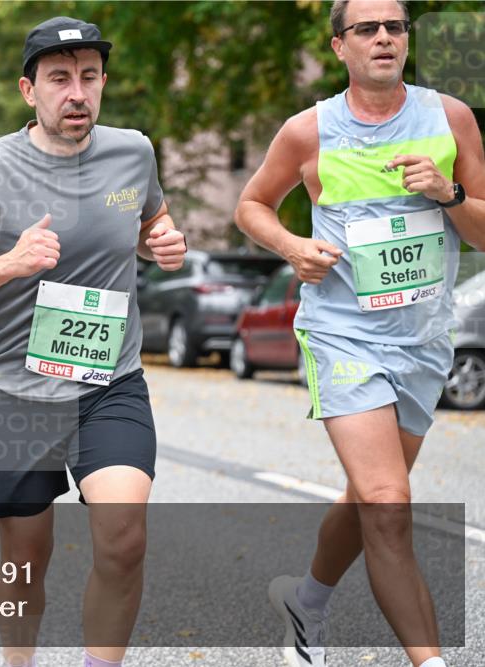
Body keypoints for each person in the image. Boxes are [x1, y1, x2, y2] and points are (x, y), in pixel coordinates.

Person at [0, 17, 187, 667]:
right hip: (15, 389)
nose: (77, 93)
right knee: (25, 552)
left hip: (110, 380)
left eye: (90, 77)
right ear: (28, 90)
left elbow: (152, 218)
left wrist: (165, 239)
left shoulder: (134, 152)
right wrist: (9, 263)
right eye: (60, 78)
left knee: (123, 537)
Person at [233, 2, 484, 666]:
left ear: (407, 41)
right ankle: (430, 660)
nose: (383, 38)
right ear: (340, 46)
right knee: (386, 498)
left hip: (424, 338)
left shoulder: (451, 118)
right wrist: (292, 245)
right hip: (342, 333)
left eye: (394, 28)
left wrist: (450, 193)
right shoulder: (307, 130)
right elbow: (250, 205)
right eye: (367, 29)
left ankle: (306, 601)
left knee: (369, 491)